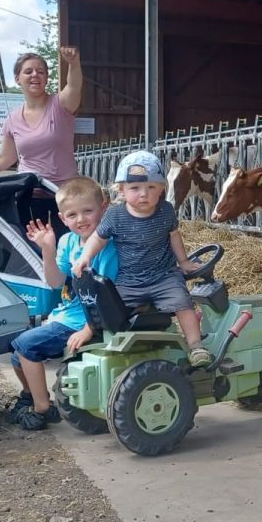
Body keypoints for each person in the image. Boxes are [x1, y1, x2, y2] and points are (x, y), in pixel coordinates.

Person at [70, 151, 212, 368]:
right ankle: (101, 339)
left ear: (162, 188)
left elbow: (174, 236)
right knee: (110, 306)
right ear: (122, 189)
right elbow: (97, 238)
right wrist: (84, 257)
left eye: (151, 187)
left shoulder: (166, 211)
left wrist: (183, 262)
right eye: (135, 188)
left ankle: (195, 345)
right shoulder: (115, 215)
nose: (143, 194)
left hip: (164, 276)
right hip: (129, 280)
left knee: (183, 302)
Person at [5, 177, 118, 430]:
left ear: (103, 207)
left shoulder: (108, 247)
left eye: (88, 211)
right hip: (68, 314)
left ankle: (43, 409)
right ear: (62, 218)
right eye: (72, 215)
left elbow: (109, 295)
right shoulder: (68, 241)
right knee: (17, 354)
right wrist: (48, 249)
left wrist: (89, 329)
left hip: (86, 319)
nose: (81, 219)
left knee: (26, 345)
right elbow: (56, 282)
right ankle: (31, 395)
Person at [0, 48, 84, 238]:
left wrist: (74, 63)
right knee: (31, 250)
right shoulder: (12, 120)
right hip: (28, 197)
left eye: (41, 71)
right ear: (18, 78)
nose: (35, 75)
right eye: (28, 71)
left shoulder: (61, 105)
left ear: (46, 78)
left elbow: (74, 86)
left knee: (65, 250)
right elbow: (4, 159)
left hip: (65, 197)